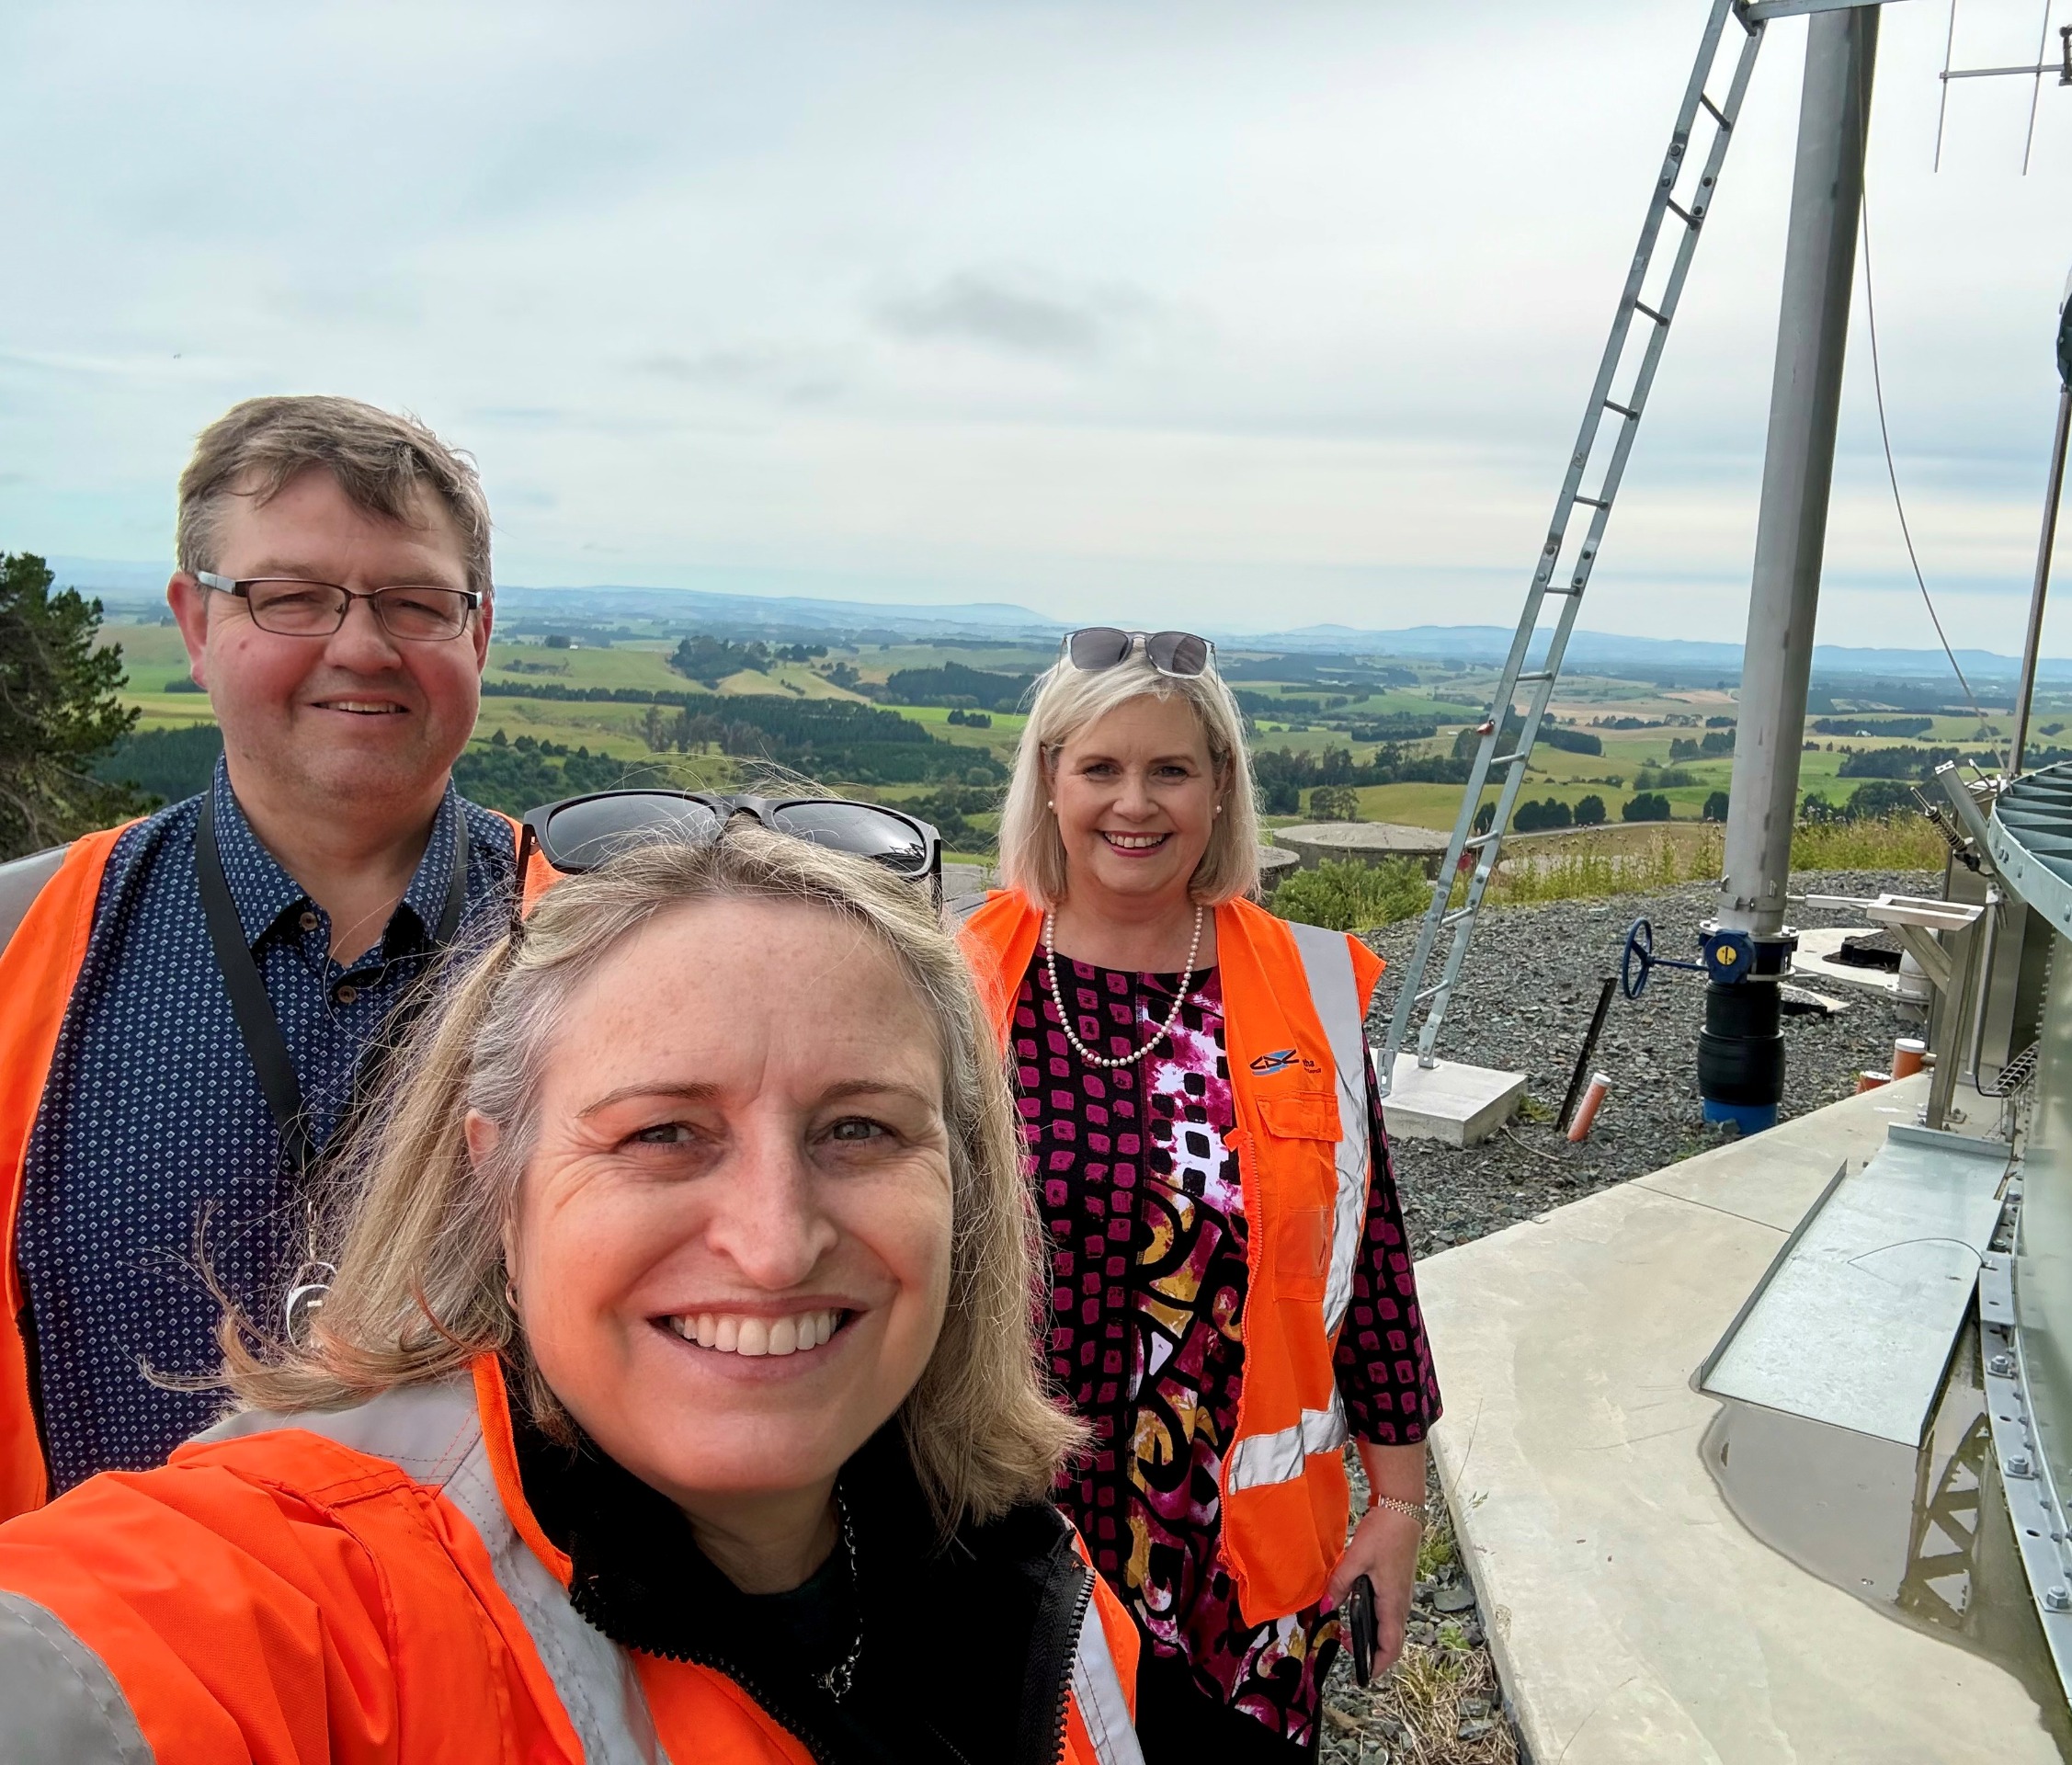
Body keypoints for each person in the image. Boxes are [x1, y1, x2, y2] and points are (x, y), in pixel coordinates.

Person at [0, 826, 1143, 1765]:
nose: (775, 1243)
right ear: (501, 1185)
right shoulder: (330, 1584)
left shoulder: (1030, 1589)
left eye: (859, 1128)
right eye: (663, 1134)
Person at [0, 395, 518, 1520]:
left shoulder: (598, 949)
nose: (361, 646)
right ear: (195, 626)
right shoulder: (19, 947)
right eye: (290, 598)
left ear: (477, 634)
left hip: (511, 1675)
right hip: (117, 1676)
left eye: (416, 602)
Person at [958, 628, 1441, 1759]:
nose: (1136, 803)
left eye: (1169, 769)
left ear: (1220, 787)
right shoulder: (958, 979)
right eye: (1100, 768)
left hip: (1241, 1571)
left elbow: (1369, 1261)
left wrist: (1401, 1505)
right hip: (1000, 1541)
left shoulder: (1307, 986)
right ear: (1049, 783)